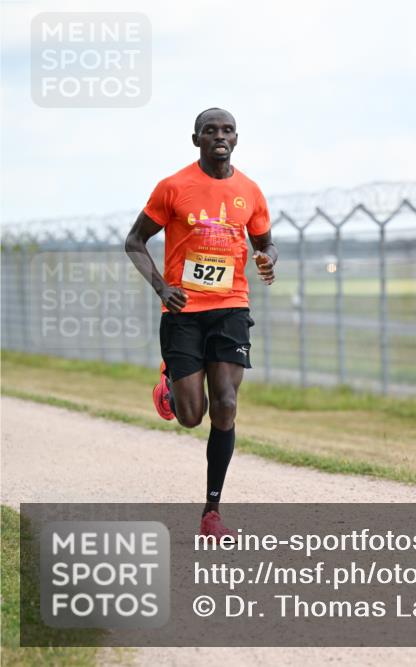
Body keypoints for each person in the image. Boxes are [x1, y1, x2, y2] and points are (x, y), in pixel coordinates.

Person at [124, 108, 277, 538]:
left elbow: (266, 243)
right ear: (197, 140)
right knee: (193, 416)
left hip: (231, 306)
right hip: (184, 311)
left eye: (227, 130)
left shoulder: (250, 190)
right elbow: (134, 241)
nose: (219, 136)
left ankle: (212, 512)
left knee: (225, 403)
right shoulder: (174, 187)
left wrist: (267, 259)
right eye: (210, 131)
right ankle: (170, 383)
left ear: (236, 138)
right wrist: (161, 288)